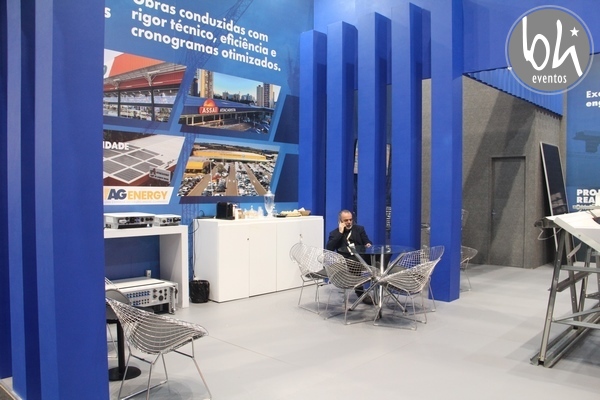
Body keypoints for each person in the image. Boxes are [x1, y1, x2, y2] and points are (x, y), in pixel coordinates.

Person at [326, 210, 374, 304]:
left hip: (361, 257)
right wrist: (340, 233)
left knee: (380, 258)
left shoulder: (359, 229)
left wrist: (368, 244)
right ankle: (360, 292)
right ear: (340, 221)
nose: (349, 222)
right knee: (354, 262)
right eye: (346, 220)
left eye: (350, 220)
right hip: (346, 260)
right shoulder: (334, 233)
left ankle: (380, 284)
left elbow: (367, 241)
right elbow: (329, 248)